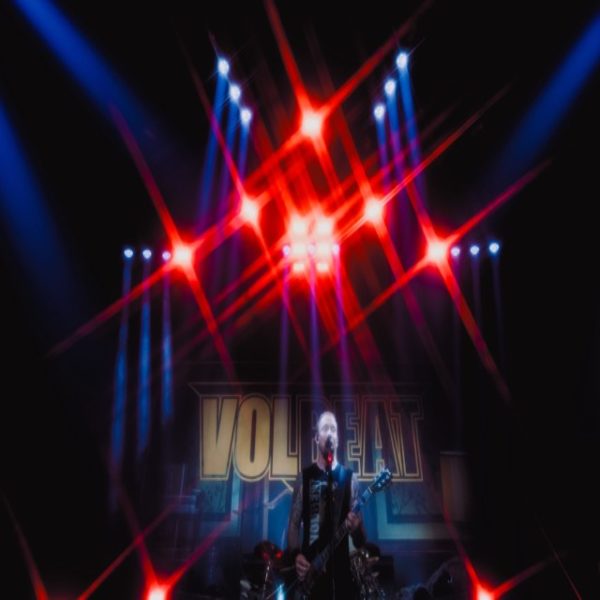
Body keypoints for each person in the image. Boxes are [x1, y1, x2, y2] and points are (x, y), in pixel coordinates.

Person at [287, 410, 366, 598]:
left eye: (333, 429)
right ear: (316, 438)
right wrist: (296, 555)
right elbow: (293, 525)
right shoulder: (304, 478)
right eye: (325, 428)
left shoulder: (350, 479)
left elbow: (361, 540)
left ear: (337, 440)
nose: (329, 432)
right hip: (311, 575)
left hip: (342, 576)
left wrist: (356, 528)